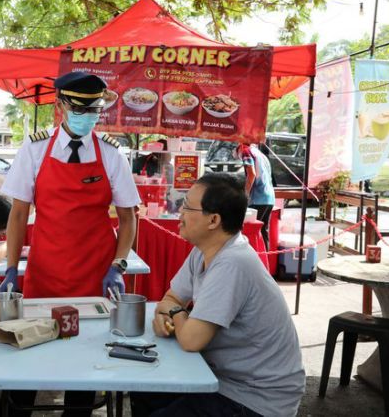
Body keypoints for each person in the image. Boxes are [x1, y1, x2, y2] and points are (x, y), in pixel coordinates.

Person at [0, 72, 140, 416]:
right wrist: (10, 268)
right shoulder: (33, 150)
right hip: (44, 274)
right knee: (30, 359)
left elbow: (128, 217)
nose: (88, 116)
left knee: (86, 364)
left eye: (94, 109)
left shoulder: (111, 155)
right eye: (80, 108)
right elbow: (18, 215)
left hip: (94, 276)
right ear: (60, 105)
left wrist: (118, 265)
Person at [130, 173, 305, 417]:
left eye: (187, 206)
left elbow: (191, 340)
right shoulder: (203, 252)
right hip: (220, 378)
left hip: (256, 398)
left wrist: (175, 313)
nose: (179, 212)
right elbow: (170, 299)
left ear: (213, 220)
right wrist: (172, 314)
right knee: (142, 389)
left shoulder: (232, 263)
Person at [237, 142, 275, 250]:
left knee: (250, 233)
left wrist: (245, 194)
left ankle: (252, 264)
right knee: (263, 232)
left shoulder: (246, 151)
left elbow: (251, 174)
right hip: (269, 198)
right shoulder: (260, 154)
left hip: (257, 199)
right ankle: (265, 263)